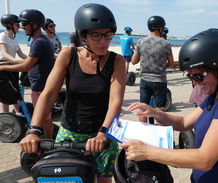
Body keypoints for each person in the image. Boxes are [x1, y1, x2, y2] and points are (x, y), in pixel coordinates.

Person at [122, 28, 218, 182]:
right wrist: (156, 114)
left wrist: (147, 152)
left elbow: (205, 159)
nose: (196, 83)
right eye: (190, 77)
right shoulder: (217, 93)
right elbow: (184, 123)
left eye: (199, 76)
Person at [19, 4, 125, 183]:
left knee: (104, 180)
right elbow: (48, 94)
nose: (104, 42)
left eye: (107, 35)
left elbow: (115, 102)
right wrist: (33, 130)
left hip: (102, 135)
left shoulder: (117, 61)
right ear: (83, 36)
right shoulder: (69, 54)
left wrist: (103, 133)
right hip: (69, 134)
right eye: (96, 36)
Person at [0, 9, 54, 138]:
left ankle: (49, 143)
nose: (22, 27)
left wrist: (2, 68)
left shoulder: (39, 42)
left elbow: (26, 66)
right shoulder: (40, 40)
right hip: (40, 85)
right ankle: (49, 140)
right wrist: (3, 64)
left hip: (40, 87)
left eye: (24, 24)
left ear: (34, 25)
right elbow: (28, 61)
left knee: (44, 118)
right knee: (44, 117)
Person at [131, 15, 174, 123]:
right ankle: (159, 136)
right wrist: (161, 67)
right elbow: (171, 63)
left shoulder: (140, 42)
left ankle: (143, 135)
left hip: (145, 81)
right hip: (159, 81)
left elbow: (134, 61)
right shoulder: (166, 43)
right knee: (160, 111)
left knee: (142, 109)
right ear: (160, 28)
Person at [0, 14, 27, 115]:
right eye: (17, 24)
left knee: (16, 90)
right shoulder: (2, 36)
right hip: (3, 66)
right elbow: (5, 53)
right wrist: (16, 61)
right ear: (10, 25)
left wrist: (31, 60)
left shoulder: (14, 39)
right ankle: (6, 115)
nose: (19, 27)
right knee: (5, 93)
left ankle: (17, 112)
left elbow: (20, 54)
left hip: (13, 66)